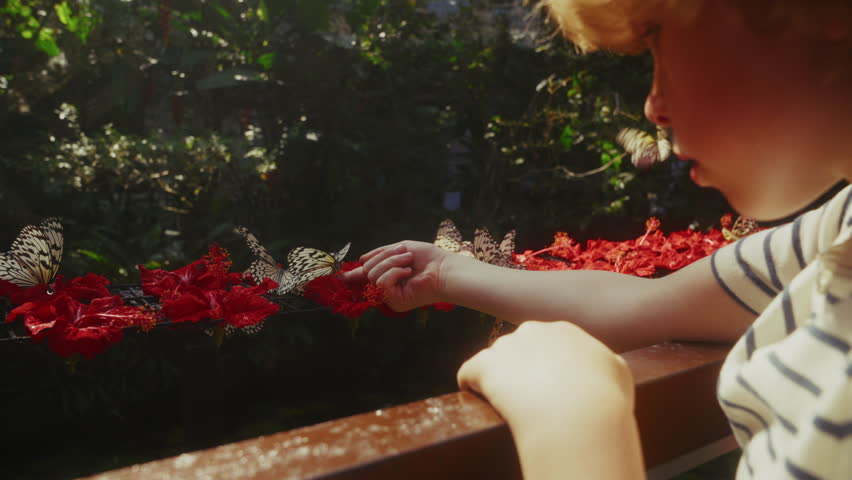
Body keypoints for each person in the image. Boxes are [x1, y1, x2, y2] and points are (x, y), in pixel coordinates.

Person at [342, 1, 852, 478]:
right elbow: (650, 304)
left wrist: (572, 416)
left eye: (656, 37)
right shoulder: (835, 232)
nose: (652, 107)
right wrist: (452, 273)